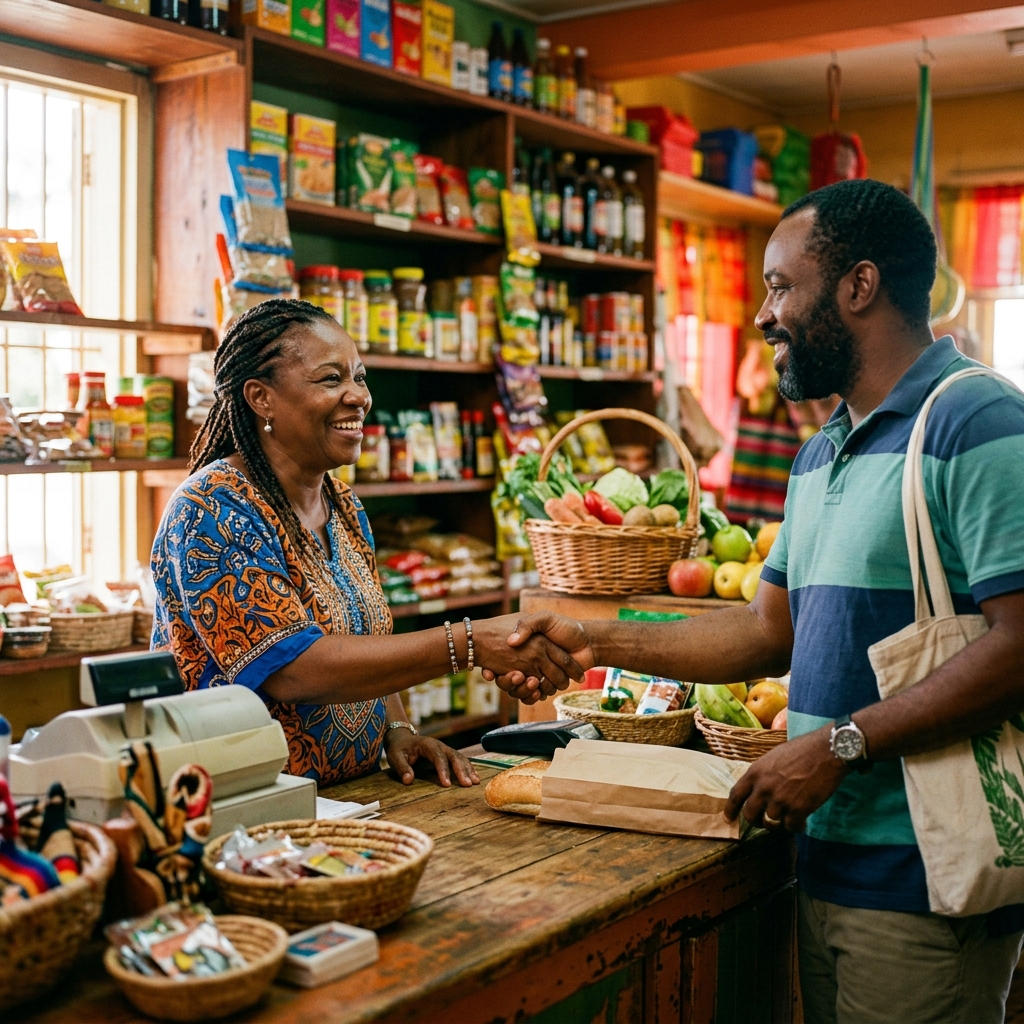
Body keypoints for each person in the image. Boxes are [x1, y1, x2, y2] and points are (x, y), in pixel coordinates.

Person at [490, 179, 1024, 1023]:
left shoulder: (977, 420)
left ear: (858, 285)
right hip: (816, 861)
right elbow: (760, 632)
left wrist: (841, 745)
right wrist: (590, 637)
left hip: (928, 879)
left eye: (781, 285)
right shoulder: (820, 454)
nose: (763, 313)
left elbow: (1020, 645)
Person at [151, 299, 581, 792]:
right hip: (240, 805)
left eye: (359, 377)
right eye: (331, 379)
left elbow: (369, 636)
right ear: (260, 397)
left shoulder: (344, 505)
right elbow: (292, 669)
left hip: (351, 798)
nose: (358, 396)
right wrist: (468, 643)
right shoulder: (211, 508)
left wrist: (397, 728)